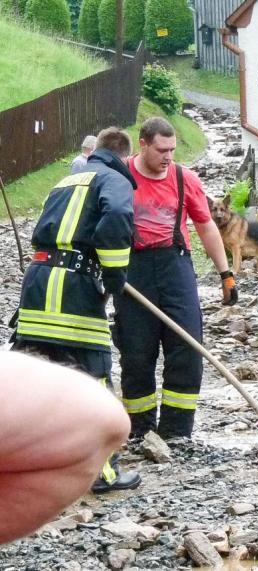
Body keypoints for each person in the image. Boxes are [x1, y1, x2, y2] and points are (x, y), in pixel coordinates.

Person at [12, 126, 141, 493]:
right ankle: (103, 473)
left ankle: (28, 467)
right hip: (75, 290)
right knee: (95, 378)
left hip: (38, 286)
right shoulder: (115, 179)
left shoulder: (65, 181)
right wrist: (115, 277)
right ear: (124, 157)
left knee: (37, 378)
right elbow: (116, 217)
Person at [115, 116, 237, 441]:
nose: (168, 157)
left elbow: (206, 226)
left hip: (175, 266)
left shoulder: (185, 179)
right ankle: (140, 430)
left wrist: (226, 274)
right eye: (161, 150)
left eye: (172, 149)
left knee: (187, 347)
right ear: (142, 143)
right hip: (132, 270)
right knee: (137, 353)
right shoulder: (119, 176)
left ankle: (177, 431)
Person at [0, 352, 130, 544]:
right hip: (83, 340)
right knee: (94, 409)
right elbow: (100, 418)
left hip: (36, 334)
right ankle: (107, 475)